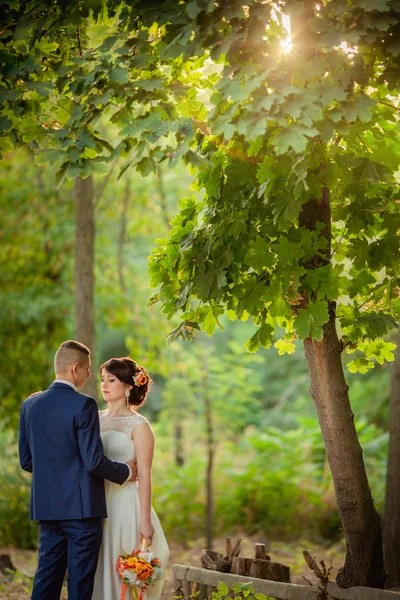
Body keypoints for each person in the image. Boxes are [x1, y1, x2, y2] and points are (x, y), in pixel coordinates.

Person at [18, 340, 137, 600]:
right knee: (80, 584)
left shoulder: (30, 405)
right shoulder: (84, 405)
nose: (89, 375)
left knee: (46, 578)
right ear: (75, 368)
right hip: (82, 512)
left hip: (48, 509)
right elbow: (93, 461)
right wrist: (126, 471)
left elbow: (27, 462)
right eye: (88, 369)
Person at [92, 356, 169, 600]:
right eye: (103, 379)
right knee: (96, 564)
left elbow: (144, 474)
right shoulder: (93, 417)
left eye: (112, 380)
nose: (104, 384)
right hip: (95, 499)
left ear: (128, 386)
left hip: (125, 504)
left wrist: (144, 519)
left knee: (121, 561)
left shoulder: (139, 425)